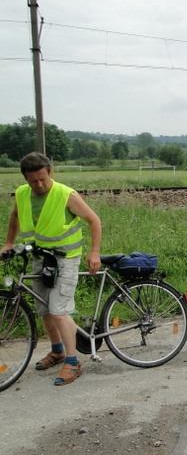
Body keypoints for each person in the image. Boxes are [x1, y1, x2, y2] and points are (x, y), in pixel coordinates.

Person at [1, 152, 102, 385]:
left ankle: (73, 362)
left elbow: (94, 220)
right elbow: (15, 215)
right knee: (44, 310)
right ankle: (57, 351)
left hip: (66, 259)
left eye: (42, 179)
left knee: (59, 312)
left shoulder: (66, 195)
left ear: (50, 173)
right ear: (25, 179)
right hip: (40, 257)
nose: (38, 184)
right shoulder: (22, 193)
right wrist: (8, 243)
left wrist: (94, 251)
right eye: (32, 181)